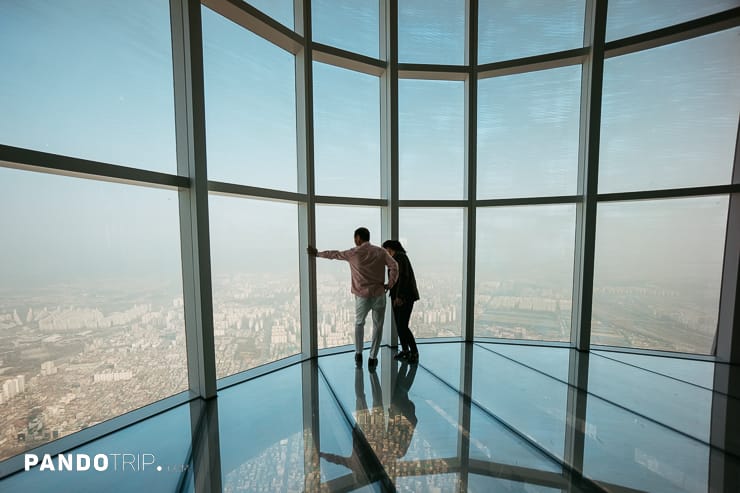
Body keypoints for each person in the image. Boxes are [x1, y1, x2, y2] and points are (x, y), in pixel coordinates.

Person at [308, 227, 398, 370]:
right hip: (379, 294)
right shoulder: (380, 252)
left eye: (354, 238)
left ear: (358, 238)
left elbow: (335, 255)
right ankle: (373, 357)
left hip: (362, 296)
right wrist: (390, 284)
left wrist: (317, 254)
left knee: (359, 323)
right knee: (378, 326)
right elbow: (394, 266)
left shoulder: (353, 253)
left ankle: (358, 353)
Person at [382, 240, 419, 364]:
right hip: (398, 296)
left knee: (402, 325)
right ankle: (405, 350)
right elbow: (396, 278)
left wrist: (399, 296)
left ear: (389, 249)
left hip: (405, 297)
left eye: (385, 250)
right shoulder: (395, 258)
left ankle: (413, 352)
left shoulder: (400, 257)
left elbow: (403, 277)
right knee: (399, 325)